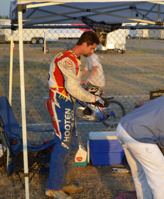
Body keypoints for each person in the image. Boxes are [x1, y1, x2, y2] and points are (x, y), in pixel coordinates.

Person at [46, 31, 104, 199]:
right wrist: (94, 99)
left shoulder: (74, 59)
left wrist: (90, 98)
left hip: (67, 103)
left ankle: (65, 183)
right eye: (92, 48)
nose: (92, 52)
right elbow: (72, 88)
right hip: (59, 103)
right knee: (63, 144)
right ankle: (54, 188)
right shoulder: (66, 59)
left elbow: (74, 89)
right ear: (84, 44)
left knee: (72, 145)